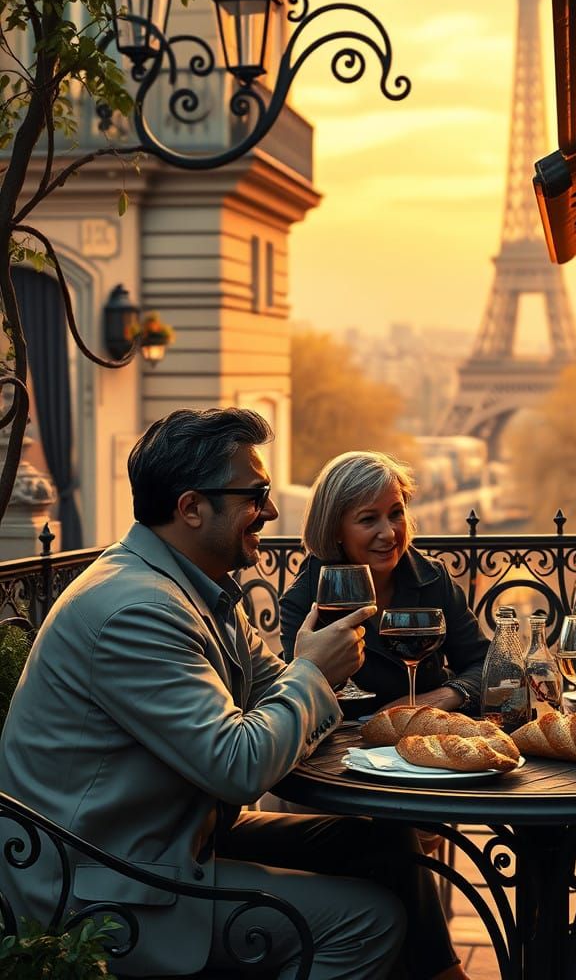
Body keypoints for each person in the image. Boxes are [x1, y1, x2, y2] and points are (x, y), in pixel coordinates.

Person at [0, 408, 469, 980]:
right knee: (367, 921)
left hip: (173, 842)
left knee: (385, 846)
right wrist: (315, 674)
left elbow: (273, 684)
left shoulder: (194, 587)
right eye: (255, 494)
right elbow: (241, 766)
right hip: (107, 887)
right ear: (191, 507)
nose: (271, 511)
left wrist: (307, 675)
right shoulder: (136, 611)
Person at [279, 451, 489, 715]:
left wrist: (440, 698)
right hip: (344, 748)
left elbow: (487, 665)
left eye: (396, 514)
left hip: (424, 740)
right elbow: (294, 702)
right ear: (335, 529)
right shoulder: (305, 598)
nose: (389, 533)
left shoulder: (432, 579)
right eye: (368, 519)